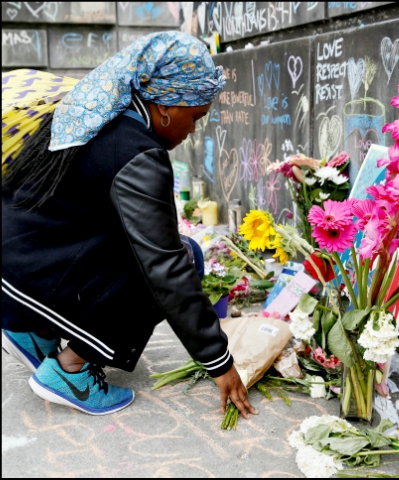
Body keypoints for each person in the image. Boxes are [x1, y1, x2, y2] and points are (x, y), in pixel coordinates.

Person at [1, 31, 257, 420]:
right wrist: (219, 362)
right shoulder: (138, 153)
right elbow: (166, 266)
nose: (193, 131)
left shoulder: (95, 114)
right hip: (29, 273)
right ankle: (71, 371)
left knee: (157, 250)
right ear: (168, 106)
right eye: (196, 117)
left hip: (19, 262)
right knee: (185, 257)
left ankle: (32, 329)